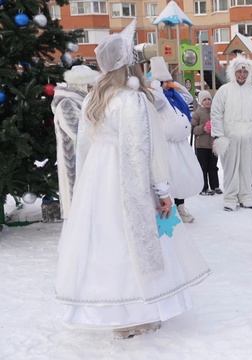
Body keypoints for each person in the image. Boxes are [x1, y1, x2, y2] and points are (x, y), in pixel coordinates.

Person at [55, 20, 210, 339]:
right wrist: (161, 190)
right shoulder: (132, 99)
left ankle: (117, 309)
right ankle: (140, 312)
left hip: (99, 181)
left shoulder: (94, 98)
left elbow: (84, 145)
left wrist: (87, 185)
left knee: (107, 242)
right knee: (134, 240)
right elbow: (142, 150)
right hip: (129, 181)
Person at [211, 55, 252, 211]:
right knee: (230, 168)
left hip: (249, 137)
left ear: (248, 73)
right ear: (234, 72)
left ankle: (245, 196)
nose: (242, 75)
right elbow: (216, 113)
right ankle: (230, 197)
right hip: (230, 136)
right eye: (239, 72)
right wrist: (219, 135)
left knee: (247, 167)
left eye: (244, 72)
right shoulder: (224, 90)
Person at [149, 56, 202, 223]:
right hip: (166, 146)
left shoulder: (174, 96)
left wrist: (177, 86)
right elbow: (156, 99)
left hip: (181, 145)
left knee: (182, 176)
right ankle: (169, 209)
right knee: (169, 177)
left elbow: (188, 99)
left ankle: (181, 206)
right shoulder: (157, 98)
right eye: (165, 82)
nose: (168, 84)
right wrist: (156, 85)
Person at [51, 65, 100, 218]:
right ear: (81, 84)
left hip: (85, 159)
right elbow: (78, 132)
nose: (93, 89)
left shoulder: (81, 101)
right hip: (73, 162)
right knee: (78, 210)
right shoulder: (67, 103)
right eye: (90, 85)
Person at [191, 90, 222, 196]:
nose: (208, 101)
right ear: (200, 101)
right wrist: (203, 128)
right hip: (201, 146)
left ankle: (215, 186)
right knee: (203, 167)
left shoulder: (215, 112)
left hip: (213, 144)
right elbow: (193, 129)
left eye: (209, 99)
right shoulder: (197, 113)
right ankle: (203, 187)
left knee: (213, 166)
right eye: (205, 99)